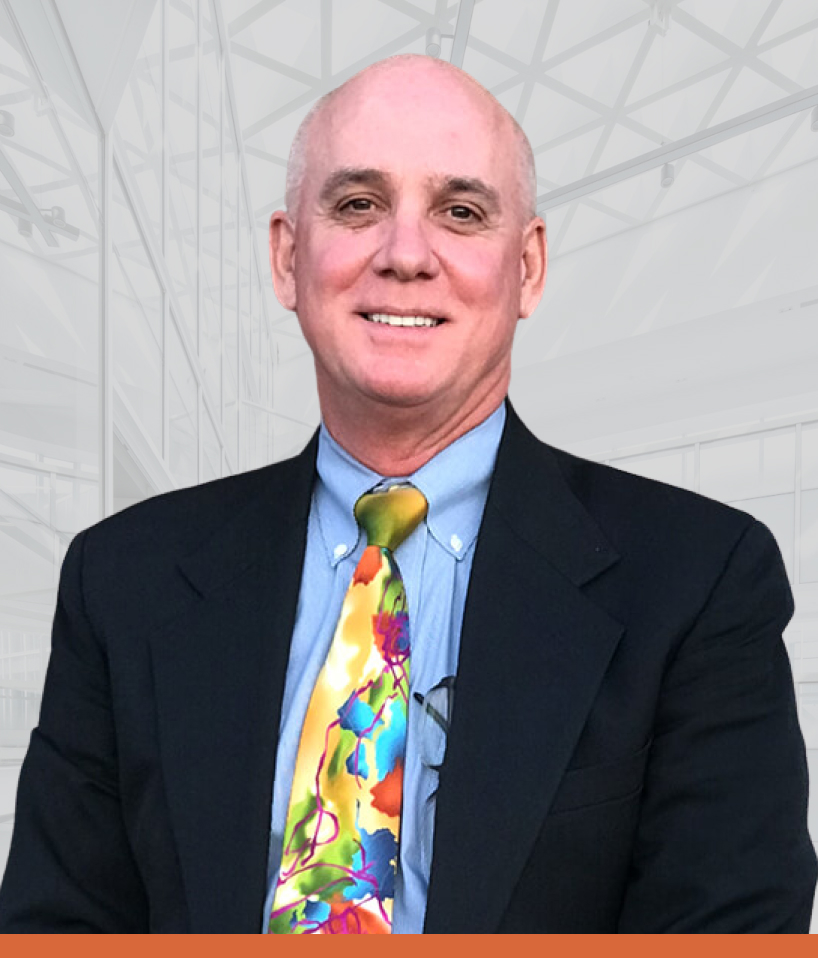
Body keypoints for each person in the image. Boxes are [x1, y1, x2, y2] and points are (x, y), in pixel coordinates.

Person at [0, 54, 815, 934]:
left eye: (460, 212)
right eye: (358, 205)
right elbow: (56, 932)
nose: (405, 255)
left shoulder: (697, 582)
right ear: (287, 258)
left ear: (528, 268)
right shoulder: (124, 581)